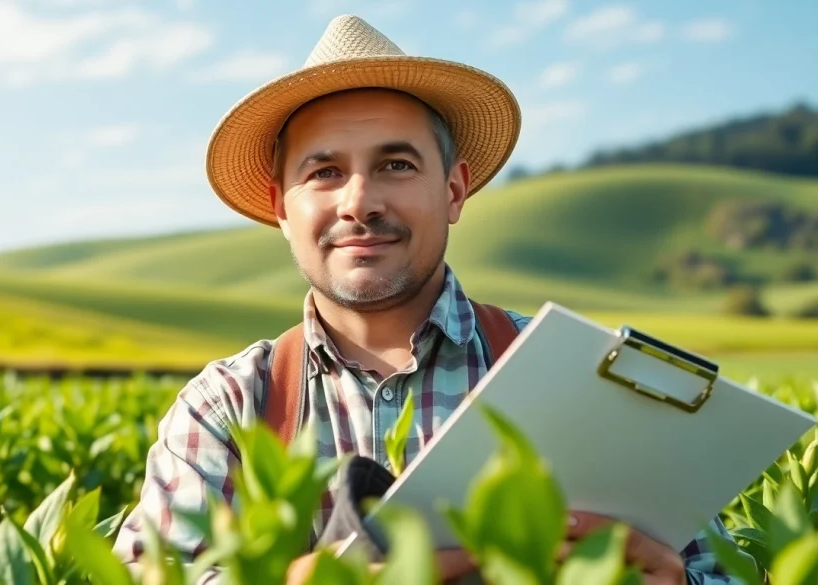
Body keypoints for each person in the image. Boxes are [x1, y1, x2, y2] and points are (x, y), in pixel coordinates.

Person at [114, 13, 754, 585]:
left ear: (453, 191)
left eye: (396, 164)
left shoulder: (584, 379)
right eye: (324, 171)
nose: (359, 201)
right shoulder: (225, 408)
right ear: (282, 207)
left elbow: (717, 572)